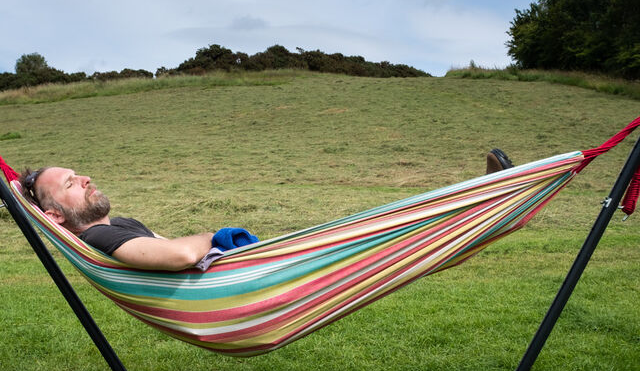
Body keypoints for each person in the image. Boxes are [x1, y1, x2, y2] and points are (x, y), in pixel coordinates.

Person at [18, 150, 512, 270]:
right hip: (241, 285)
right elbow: (180, 258)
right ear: (56, 215)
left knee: (387, 244)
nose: (83, 178)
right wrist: (211, 236)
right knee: (378, 239)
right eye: (69, 183)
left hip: (249, 275)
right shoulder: (102, 239)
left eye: (78, 173)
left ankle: (485, 210)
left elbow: (172, 250)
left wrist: (22, 191)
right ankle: (490, 206)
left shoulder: (113, 227)